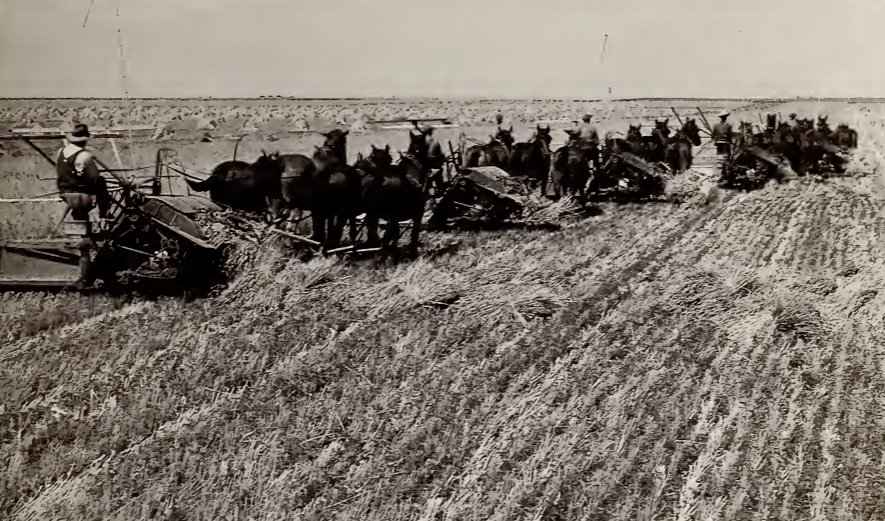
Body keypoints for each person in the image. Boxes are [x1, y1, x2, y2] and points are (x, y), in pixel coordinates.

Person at [56, 123, 111, 289]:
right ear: (84, 140)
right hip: (82, 196)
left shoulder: (60, 152)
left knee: (81, 220)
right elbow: (94, 176)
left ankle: (86, 235)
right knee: (102, 182)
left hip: (65, 193)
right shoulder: (85, 156)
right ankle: (104, 215)